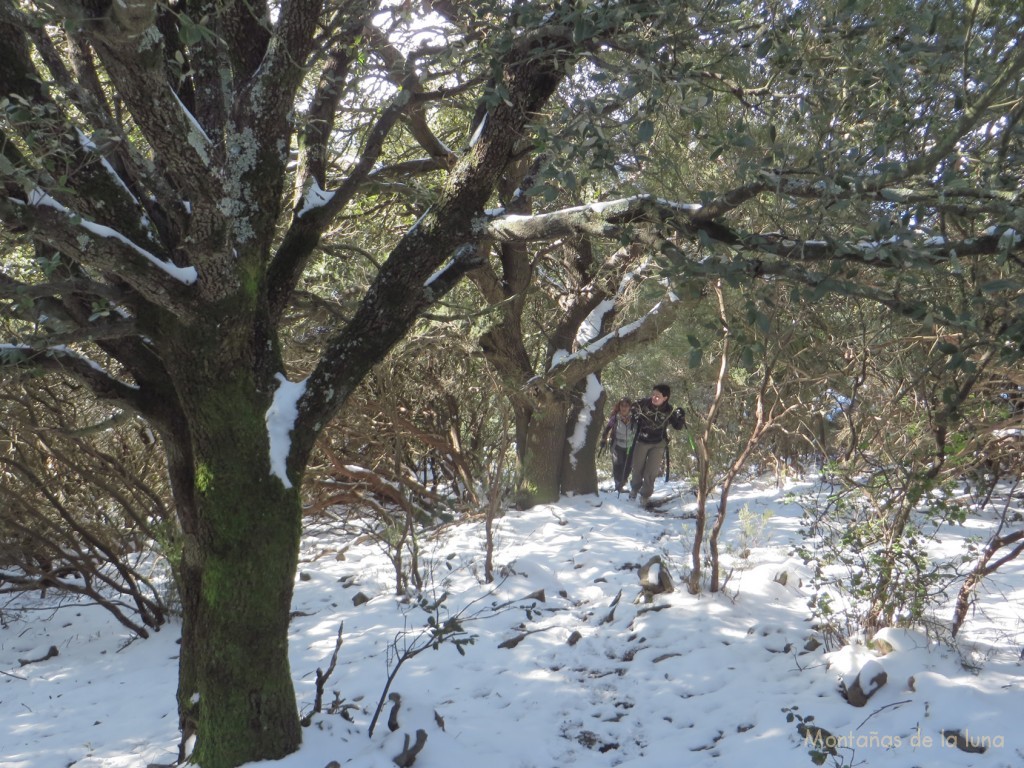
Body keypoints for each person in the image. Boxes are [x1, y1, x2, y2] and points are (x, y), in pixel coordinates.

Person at [628, 383, 686, 505]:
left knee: (651, 471)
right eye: (653, 394)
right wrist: (634, 414)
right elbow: (632, 409)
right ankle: (634, 489)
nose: (654, 397)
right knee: (637, 468)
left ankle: (645, 496)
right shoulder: (643, 403)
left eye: (657, 396)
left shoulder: (669, 410)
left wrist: (681, 416)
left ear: (665, 398)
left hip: (658, 443)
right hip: (642, 441)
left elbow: (677, 426)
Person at [600, 398, 635, 493]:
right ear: (619, 407)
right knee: (617, 464)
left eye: (626, 406)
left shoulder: (634, 418)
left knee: (628, 466)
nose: (624, 408)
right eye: (622, 405)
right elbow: (607, 428)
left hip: (630, 445)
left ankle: (622, 483)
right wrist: (603, 439)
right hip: (617, 444)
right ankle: (618, 485)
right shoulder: (615, 418)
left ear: (630, 407)